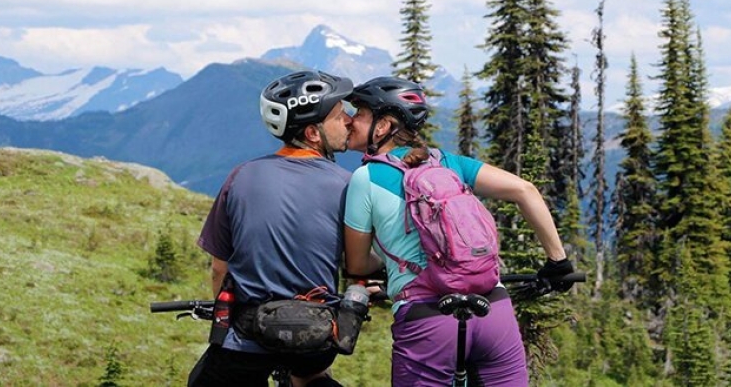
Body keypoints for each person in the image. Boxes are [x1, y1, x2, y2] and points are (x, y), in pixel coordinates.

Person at [342, 76, 575, 386]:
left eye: (359, 113)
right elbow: (525, 190)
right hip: (493, 311)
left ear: (383, 126)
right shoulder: (446, 162)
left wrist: (396, 271)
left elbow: (357, 265)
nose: (349, 121)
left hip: (426, 320)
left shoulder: (365, 177)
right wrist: (558, 262)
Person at [189, 70, 355, 387]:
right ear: (313, 133)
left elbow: (219, 267)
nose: (348, 121)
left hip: (249, 334)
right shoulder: (348, 186)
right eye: (339, 115)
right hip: (313, 338)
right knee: (312, 376)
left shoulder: (241, 176)